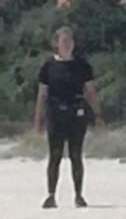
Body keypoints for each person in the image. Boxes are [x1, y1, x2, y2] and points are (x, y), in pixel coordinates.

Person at [34, 25, 101, 209]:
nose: (67, 44)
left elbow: (90, 92)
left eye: (70, 40)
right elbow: (42, 94)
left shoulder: (82, 65)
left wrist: (96, 114)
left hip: (76, 113)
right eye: (63, 41)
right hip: (55, 114)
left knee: (76, 155)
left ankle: (79, 195)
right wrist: (38, 118)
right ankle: (51, 195)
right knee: (54, 155)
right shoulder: (48, 66)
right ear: (56, 43)